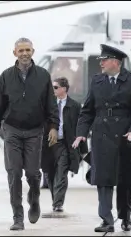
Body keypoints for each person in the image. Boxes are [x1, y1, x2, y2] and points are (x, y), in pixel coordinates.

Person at [72, 44, 131, 233]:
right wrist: (81, 133)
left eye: (104, 60)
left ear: (115, 62)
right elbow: (87, 111)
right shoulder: (97, 81)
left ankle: (125, 216)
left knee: (125, 180)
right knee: (103, 179)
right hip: (101, 136)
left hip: (125, 137)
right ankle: (106, 219)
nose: (101, 63)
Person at [0, 37, 59, 231]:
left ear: (33, 51)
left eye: (27, 50)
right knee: (13, 173)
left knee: (32, 173)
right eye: (20, 51)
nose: (24, 54)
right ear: (15, 53)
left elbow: (50, 104)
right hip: (11, 130)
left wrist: (53, 126)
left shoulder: (43, 75)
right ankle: (18, 217)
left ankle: (34, 199)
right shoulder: (6, 76)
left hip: (34, 131)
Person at [41, 77, 88, 214]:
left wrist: (82, 150)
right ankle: (55, 199)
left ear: (64, 89)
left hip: (65, 144)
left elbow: (81, 127)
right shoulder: (47, 105)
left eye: (55, 87)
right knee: (49, 174)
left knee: (61, 173)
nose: (53, 90)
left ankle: (58, 203)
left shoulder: (75, 106)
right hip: (49, 144)